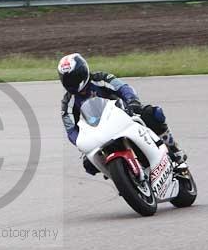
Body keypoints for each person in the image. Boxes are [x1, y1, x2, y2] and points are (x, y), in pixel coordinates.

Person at [58, 53, 187, 175]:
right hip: (98, 133)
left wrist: (132, 102)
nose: (72, 82)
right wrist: (81, 143)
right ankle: (124, 179)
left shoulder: (100, 79)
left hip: (123, 116)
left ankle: (174, 150)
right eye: (67, 80)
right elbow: (71, 130)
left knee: (153, 114)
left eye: (74, 78)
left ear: (83, 72)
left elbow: (123, 88)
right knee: (89, 164)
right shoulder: (68, 102)